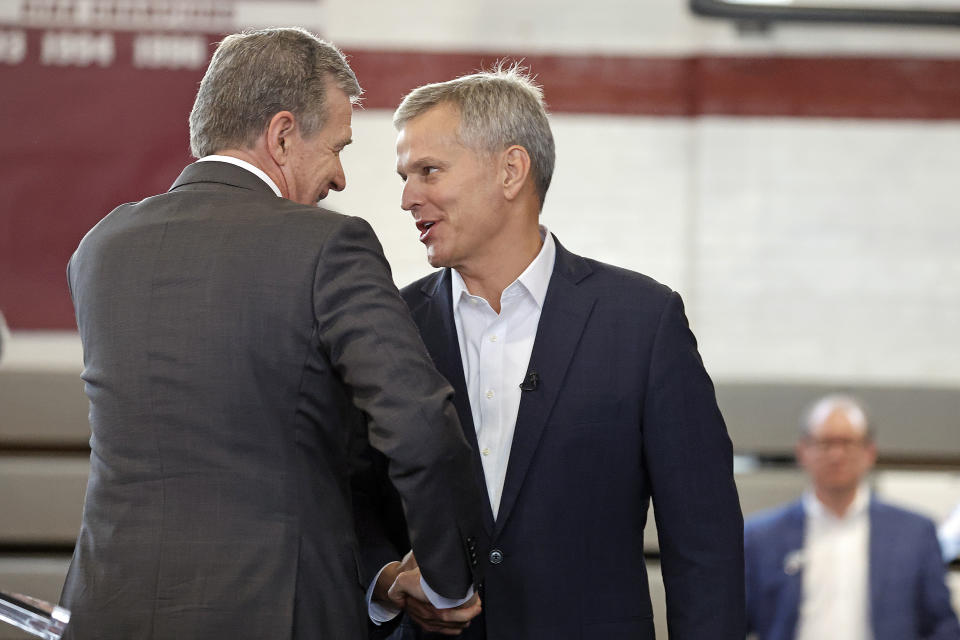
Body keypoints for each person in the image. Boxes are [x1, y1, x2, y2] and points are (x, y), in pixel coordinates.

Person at [60, 27, 484, 640]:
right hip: (276, 611)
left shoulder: (99, 249)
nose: (339, 177)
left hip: (105, 611)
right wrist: (448, 582)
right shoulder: (329, 245)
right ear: (282, 135)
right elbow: (418, 426)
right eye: (336, 146)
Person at [365, 65, 745, 639]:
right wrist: (390, 579)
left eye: (429, 171)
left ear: (511, 171)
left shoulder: (642, 322)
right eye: (405, 175)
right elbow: (348, 505)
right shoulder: (389, 325)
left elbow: (705, 544)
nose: (407, 197)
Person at [744, 394, 960, 640]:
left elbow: (942, 625)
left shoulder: (915, 533)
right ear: (802, 451)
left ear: (870, 452)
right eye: (825, 443)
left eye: (847, 443)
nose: (837, 455)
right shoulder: (761, 537)